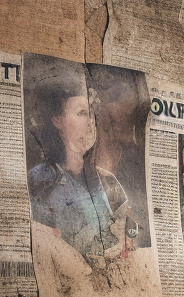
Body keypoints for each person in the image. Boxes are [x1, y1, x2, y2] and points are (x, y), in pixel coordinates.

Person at [26, 71, 131, 269]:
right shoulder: (39, 180)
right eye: (82, 113)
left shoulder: (108, 181)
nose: (91, 122)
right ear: (58, 121)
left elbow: (128, 238)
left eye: (92, 114)